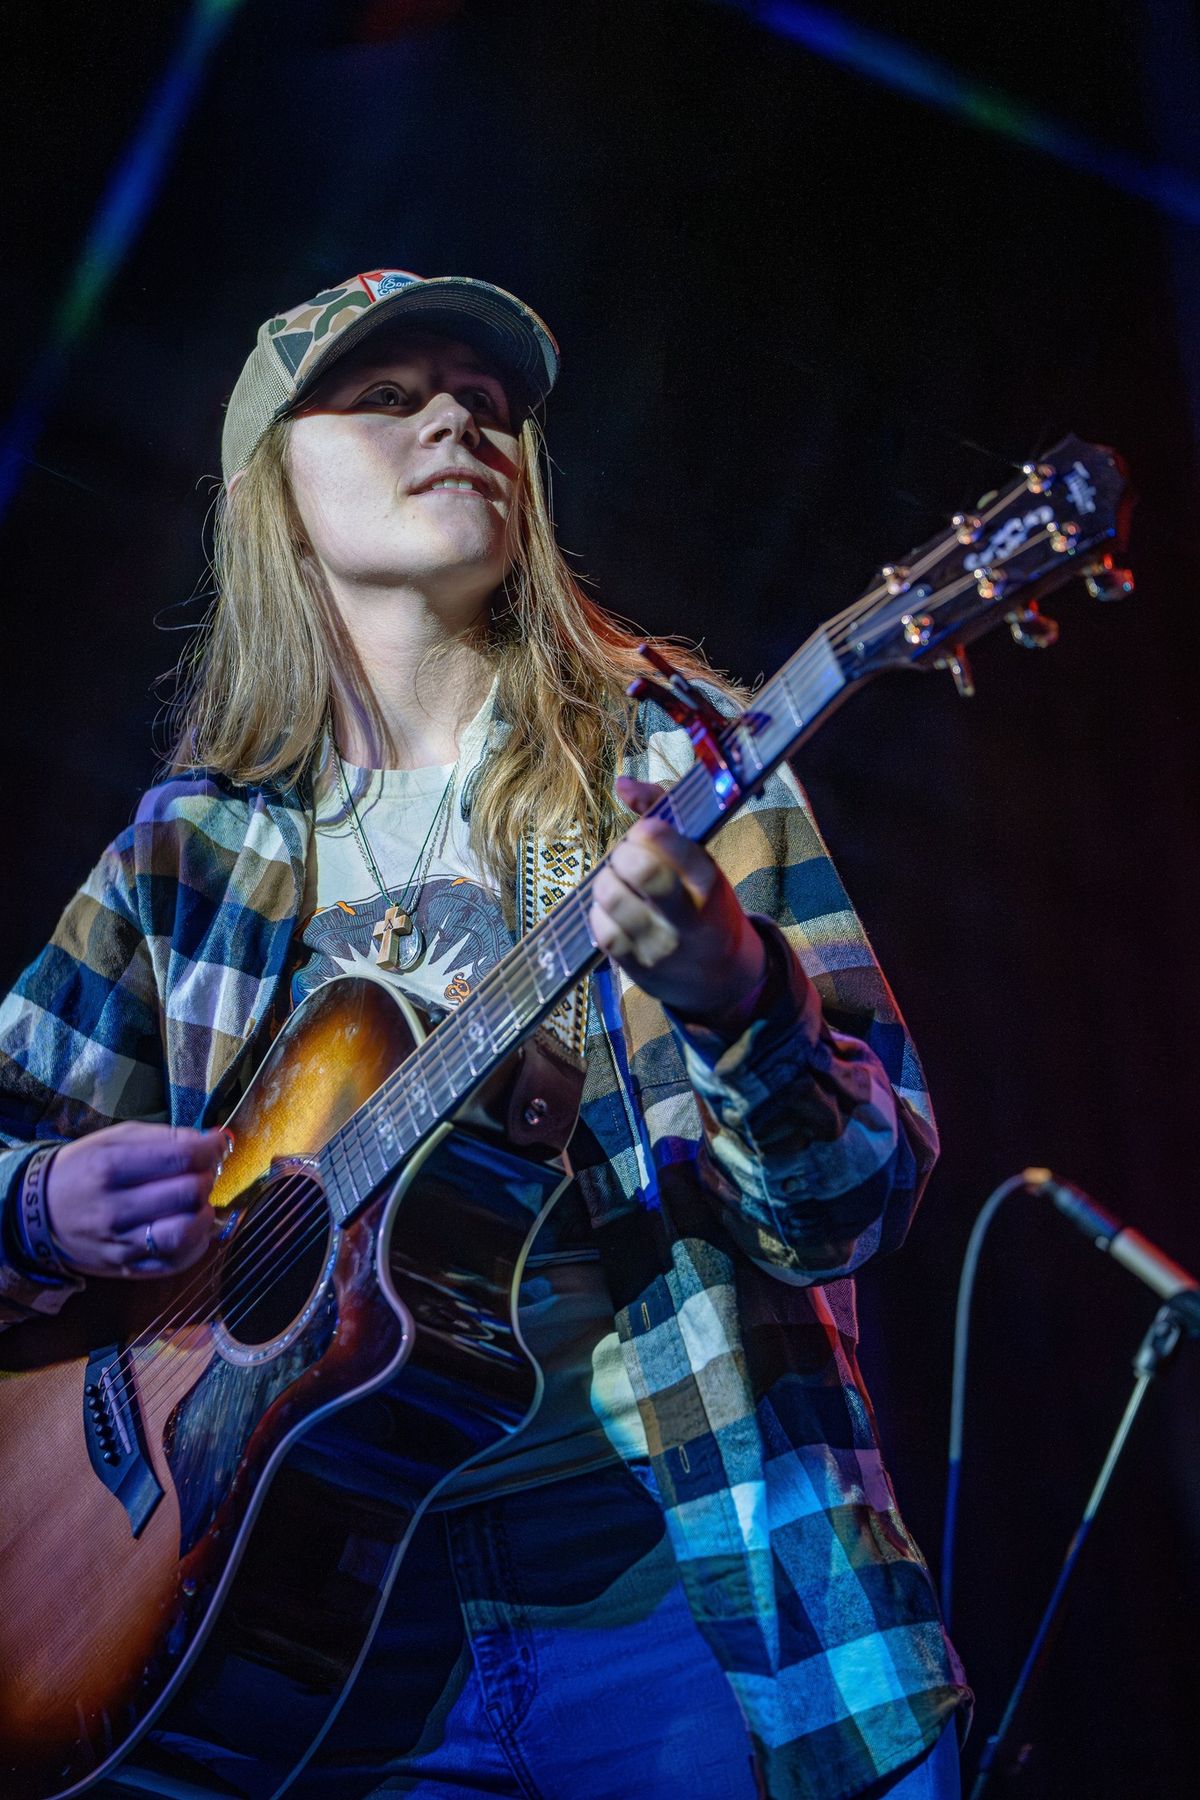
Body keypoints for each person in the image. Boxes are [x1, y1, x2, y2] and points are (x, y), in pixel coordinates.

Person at [0, 267, 968, 1799]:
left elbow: (857, 1200)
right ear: (277, 495)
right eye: (388, 398)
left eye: (491, 405)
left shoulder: (676, 766)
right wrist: (38, 1207)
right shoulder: (183, 866)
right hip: (292, 1653)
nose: (458, 417)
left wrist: (738, 995)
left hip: (678, 1605)